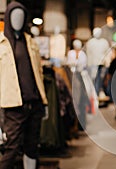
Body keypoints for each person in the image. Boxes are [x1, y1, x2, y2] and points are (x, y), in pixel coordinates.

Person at [0, 2, 48, 169]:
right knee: (11, 148)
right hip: (13, 105)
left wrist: (43, 100)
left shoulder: (30, 41)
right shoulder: (1, 44)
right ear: (8, 19)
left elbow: (38, 72)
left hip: (33, 102)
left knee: (32, 147)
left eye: (21, 16)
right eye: (14, 17)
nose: (18, 20)